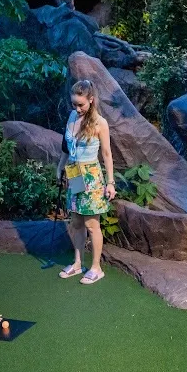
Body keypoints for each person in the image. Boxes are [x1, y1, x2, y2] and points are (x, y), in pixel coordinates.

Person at [56, 79, 116, 285]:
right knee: (76, 222)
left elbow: (107, 154)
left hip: (91, 175)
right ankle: (78, 263)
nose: (77, 108)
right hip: (74, 173)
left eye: (80, 104)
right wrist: (60, 168)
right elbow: (67, 147)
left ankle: (96, 268)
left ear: (91, 100)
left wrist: (110, 182)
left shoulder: (100, 123)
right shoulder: (72, 116)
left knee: (92, 224)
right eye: (74, 104)